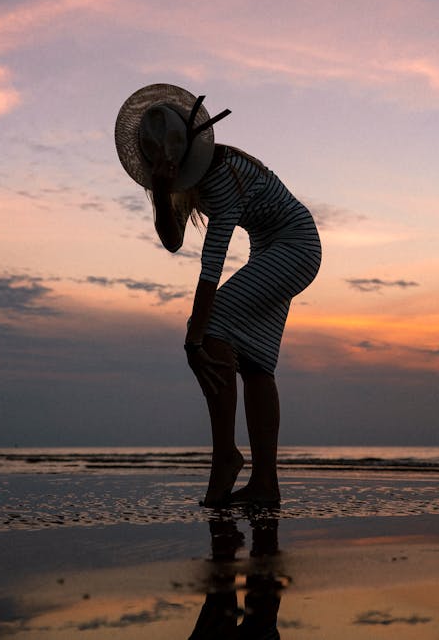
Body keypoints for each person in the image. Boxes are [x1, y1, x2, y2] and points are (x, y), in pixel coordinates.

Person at [115, 84, 321, 507]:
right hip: (270, 249)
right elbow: (173, 242)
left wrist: (194, 335)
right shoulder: (185, 180)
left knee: (210, 333)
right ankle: (266, 485)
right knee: (257, 363)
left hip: (296, 246)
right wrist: (159, 191)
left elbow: (213, 264)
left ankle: (224, 456)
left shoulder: (223, 173)